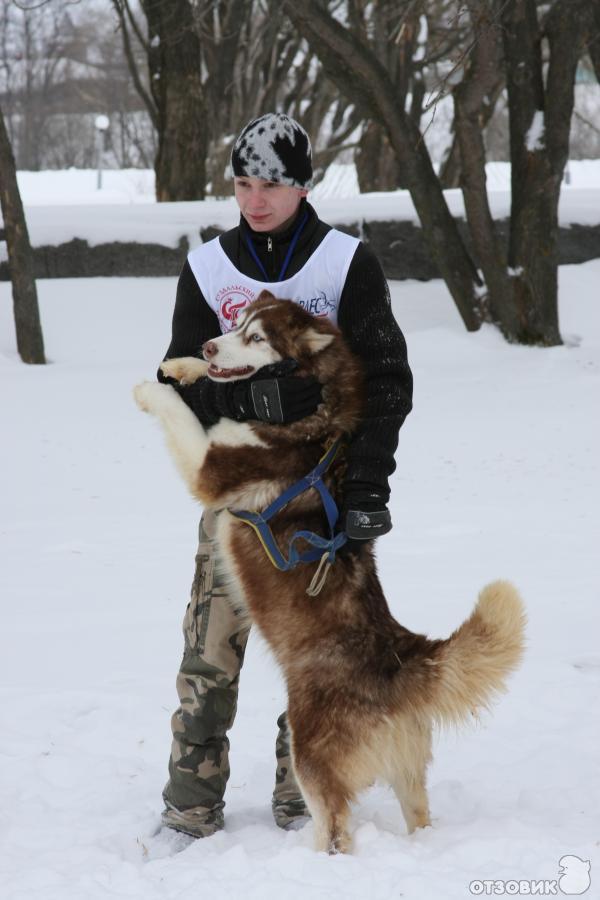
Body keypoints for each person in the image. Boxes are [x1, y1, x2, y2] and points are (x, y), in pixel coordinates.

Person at [157, 112, 413, 839]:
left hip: (323, 499)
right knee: (211, 647)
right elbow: (180, 379)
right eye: (243, 182)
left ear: (301, 185)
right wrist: (246, 397)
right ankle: (189, 804)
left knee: (320, 653)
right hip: (239, 496)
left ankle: (299, 790)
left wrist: (368, 488)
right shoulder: (209, 268)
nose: (255, 198)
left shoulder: (344, 263)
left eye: (270, 183)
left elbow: (389, 384)